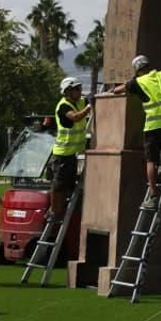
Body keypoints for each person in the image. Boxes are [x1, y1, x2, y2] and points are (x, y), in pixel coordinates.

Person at [108, 53, 161, 209]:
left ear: (137, 70)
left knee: (150, 160)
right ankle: (160, 170)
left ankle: (153, 196)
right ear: (149, 65)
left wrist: (114, 88)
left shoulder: (137, 82)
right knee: (159, 148)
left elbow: (116, 91)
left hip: (154, 124)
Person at [48, 77, 93, 222]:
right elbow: (75, 117)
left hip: (72, 154)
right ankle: (54, 212)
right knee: (59, 185)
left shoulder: (80, 102)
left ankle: (62, 209)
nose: (80, 92)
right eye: (77, 89)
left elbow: (90, 100)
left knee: (70, 185)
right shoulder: (63, 106)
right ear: (68, 91)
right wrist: (89, 107)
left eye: (80, 89)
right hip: (61, 154)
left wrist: (93, 98)